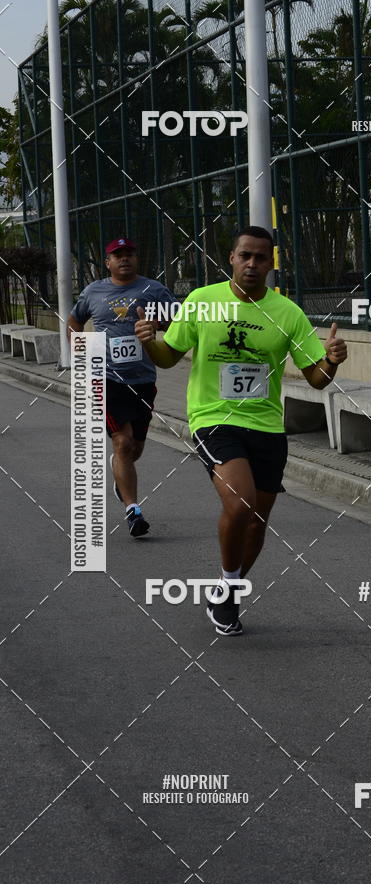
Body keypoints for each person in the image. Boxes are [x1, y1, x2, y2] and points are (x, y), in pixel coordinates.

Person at [135, 225, 348, 635]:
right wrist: (148, 341)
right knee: (241, 504)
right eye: (244, 255)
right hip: (213, 418)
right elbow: (167, 357)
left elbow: (317, 379)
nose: (252, 263)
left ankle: (225, 589)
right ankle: (231, 588)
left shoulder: (288, 313)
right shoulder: (202, 301)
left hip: (266, 425)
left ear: (271, 263)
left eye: (260, 257)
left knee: (256, 524)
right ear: (231, 258)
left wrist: (333, 360)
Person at [67, 237, 178, 537]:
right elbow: (74, 322)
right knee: (122, 442)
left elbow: (179, 322)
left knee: (134, 448)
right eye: (118, 255)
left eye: (129, 253)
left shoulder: (153, 289)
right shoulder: (93, 291)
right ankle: (133, 510)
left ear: (136, 259)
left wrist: (157, 324)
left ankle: (120, 473)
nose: (124, 259)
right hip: (106, 379)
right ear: (108, 262)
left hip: (143, 379)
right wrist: (80, 354)